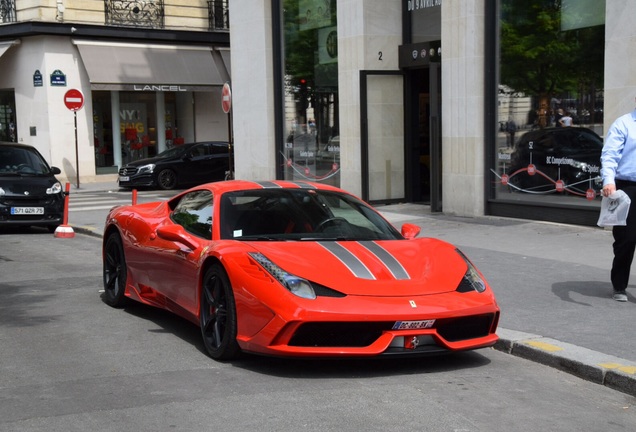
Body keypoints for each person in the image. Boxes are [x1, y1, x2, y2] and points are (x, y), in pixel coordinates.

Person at [601, 97, 636, 302]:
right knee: (627, 239)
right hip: (627, 187)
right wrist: (608, 180)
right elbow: (610, 155)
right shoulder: (624, 124)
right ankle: (619, 286)